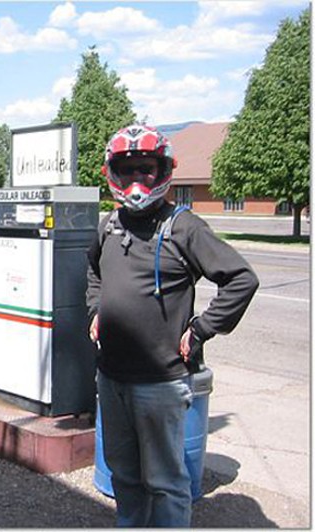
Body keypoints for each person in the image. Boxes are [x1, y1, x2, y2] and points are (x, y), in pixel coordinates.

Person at [86, 124, 259, 527]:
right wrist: (94, 310)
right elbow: (92, 272)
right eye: (126, 170)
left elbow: (241, 279)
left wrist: (201, 329)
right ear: (112, 173)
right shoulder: (108, 225)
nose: (136, 180)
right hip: (111, 378)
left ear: (163, 171)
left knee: (165, 483)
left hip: (160, 384)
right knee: (124, 476)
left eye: (146, 169)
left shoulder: (184, 227)